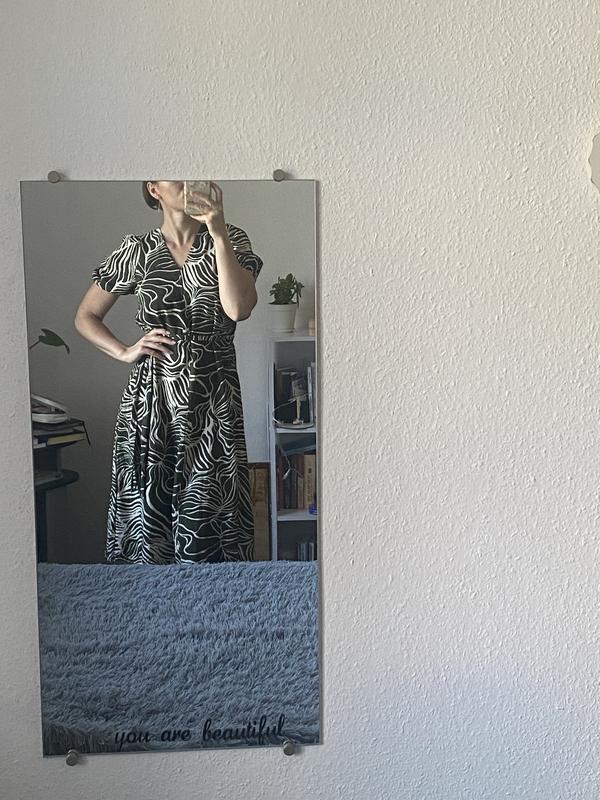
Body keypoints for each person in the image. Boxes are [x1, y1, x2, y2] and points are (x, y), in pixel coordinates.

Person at [74, 180, 264, 563]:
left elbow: (238, 308)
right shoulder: (137, 250)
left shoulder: (231, 239)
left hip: (213, 398)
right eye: (173, 175)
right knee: (149, 515)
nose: (185, 181)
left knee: (210, 513)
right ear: (154, 189)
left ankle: (217, 599)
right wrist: (125, 351)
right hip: (152, 400)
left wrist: (218, 229)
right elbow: (86, 316)